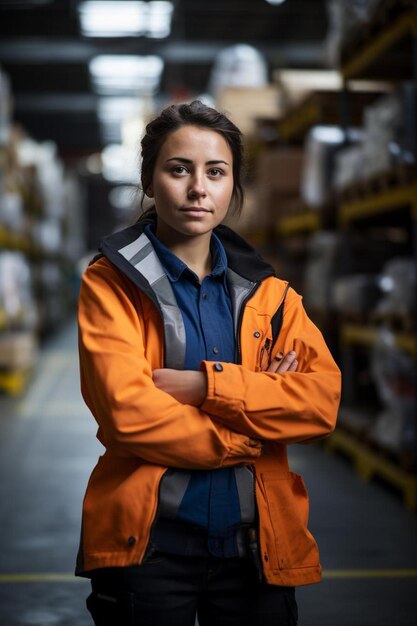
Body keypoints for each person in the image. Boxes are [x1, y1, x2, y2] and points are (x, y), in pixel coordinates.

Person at [76, 100, 341, 626]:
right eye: (179, 169)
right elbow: (128, 414)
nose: (199, 188)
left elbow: (319, 403)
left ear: (231, 187)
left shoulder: (273, 296)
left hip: (256, 548)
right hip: (150, 547)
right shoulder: (111, 284)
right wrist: (250, 431)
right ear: (150, 181)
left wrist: (204, 386)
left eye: (215, 172)